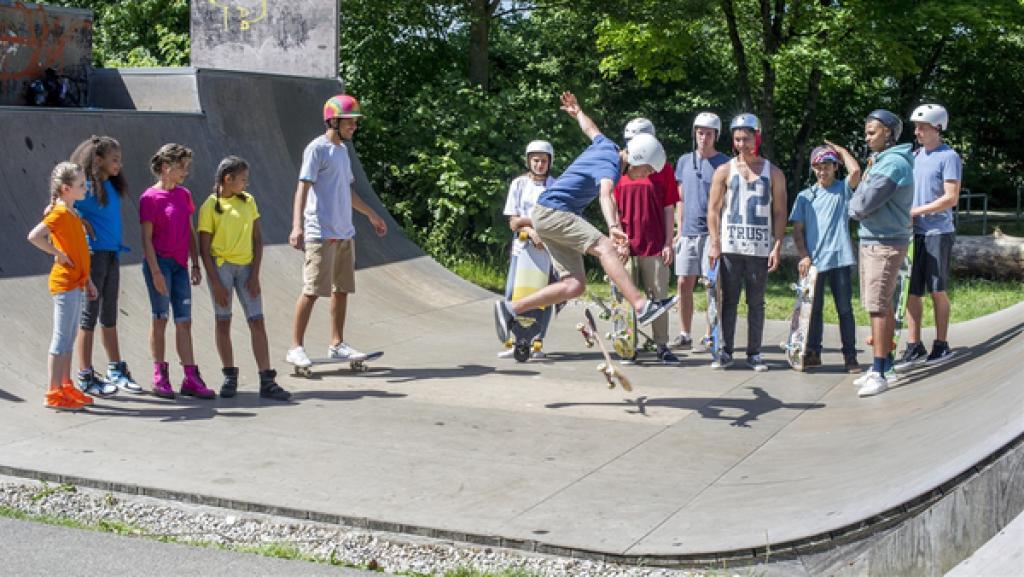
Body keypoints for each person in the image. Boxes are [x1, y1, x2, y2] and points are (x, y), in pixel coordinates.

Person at [492, 92, 677, 343]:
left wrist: (577, 112)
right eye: (645, 170)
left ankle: (511, 309)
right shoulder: (611, 165)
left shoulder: (606, 145)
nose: (644, 175)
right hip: (554, 212)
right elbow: (606, 194)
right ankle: (642, 306)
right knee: (606, 248)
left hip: (546, 217)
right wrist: (613, 226)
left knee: (574, 285)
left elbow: (590, 129)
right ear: (637, 158)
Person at [285, 94, 388, 369]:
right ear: (333, 121)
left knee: (341, 289)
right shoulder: (316, 149)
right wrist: (297, 226)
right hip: (321, 231)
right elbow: (302, 188)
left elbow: (347, 190)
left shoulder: (343, 152)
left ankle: (337, 344)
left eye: (355, 123)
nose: (354, 127)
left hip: (344, 232)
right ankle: (295, 347)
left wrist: (371, 215)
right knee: (312, 290)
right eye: (350, 122)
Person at [198, 156, 292, 401]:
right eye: (242, 180)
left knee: (257, 320)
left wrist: (256, 275)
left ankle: (266, 379)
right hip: (221, 269)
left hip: (247, 267)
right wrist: (216, 283)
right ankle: (229, 374)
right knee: (223, 321)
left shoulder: (249, 202)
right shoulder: (210, 206)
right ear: (227, 179)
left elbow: (258, 240)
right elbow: (204, 248)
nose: (246, 184)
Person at [707, 113, 787, 371]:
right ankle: (726, 351)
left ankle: (754, 352)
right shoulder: (724, 170)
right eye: (737, 139)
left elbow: (779, 212)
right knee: (727, 300)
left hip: (759, 248)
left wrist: (777, 245)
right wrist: (715, 242)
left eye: (747, 139)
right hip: (731, 247)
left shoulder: (773, 172)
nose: (742, 144)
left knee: (756, 302)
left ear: (757, 138)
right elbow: (713, 210)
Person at [140, 143, 215, 400]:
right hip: (159, 264)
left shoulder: (184, 195)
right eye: (181, 167)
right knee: (160, 317)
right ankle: (160, 375)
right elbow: (146, 239)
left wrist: (195, 263)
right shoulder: (149, 198)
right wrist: (155, 272)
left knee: (184, 321)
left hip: (181, 266)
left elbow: (190, 231)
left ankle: (191, 378)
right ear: (165, 167)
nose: (185, 172)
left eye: (187, 167)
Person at [848, 109, 915, 397]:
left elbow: (862, 205)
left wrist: (854, 203)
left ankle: (878, 371)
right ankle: (885, 365)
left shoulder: (894, 164)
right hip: (873, 239)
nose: (867, 137)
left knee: (877, 305)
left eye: (872, 132)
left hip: (885, 242)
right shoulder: (883, 161)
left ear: (888, 132)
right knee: (882, 304)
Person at [26, 162, 98, 411]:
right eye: (80, 185)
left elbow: (78, 250)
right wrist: (57, 253)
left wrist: (88, 280)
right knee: (61, 339)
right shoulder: (58, 213)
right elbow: (34, 236)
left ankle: (66, 385)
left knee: (69, 338)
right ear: (66, 189)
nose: (86, 188)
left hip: (77, 282)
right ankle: (53, 391)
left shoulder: (72, 213)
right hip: (64, 283)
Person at [69, 135, 137, 396]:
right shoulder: (85, 186)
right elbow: (58, 204)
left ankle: (115, 369)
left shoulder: (110, 185)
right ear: (98, 159)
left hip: (111, 255)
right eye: (114, 159)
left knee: (109, 314)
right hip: (94, 256)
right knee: (89, 315)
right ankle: (85, 374)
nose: (119, 164)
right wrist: (79, 219)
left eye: (119, 159)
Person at [789, 142, 862, 373]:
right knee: (813, 310)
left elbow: (857, 172)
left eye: (828, 166)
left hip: (839, 259)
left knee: (844, 309)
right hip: (815, 264)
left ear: (835, 167)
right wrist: (803, 256)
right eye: (819, 167)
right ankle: (812, 352)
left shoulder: (842, 190)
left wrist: (840, 150)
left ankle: (850, 357)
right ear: (813, 168)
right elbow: (797, 230)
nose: (823, 171)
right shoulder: (805, 196)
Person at [897, 104, 960, 368]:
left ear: (938, 128)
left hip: (938, 232)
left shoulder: (949, 157)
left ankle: (941, 345)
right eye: (916, 127)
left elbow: (951, 197)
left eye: (922, 127)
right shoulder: (915, 155)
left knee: (937, 290)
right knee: (912, 292)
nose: (917, 131)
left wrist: (917, 211)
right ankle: (914, 345)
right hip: (915, 233)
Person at [613, 118, 680, 365]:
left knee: (658, 294)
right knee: (624, 296)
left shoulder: (662, 169)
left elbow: (668, 206)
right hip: (625, 244)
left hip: (654, 242)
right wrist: (617, 238)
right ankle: (626, 345)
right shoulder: (617, 169)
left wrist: (668, 242)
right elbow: (611, 206)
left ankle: (661, 344)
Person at [672, 112, 730, 351]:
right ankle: (684, 333)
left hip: (711, 234)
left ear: (716, 135)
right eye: (699, 132)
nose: (703, 137)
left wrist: (719, 237)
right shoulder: (684, 161)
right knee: (684, 282)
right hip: (687, 232)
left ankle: (710, 334)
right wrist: (678, 228)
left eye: (708, 133)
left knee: (711, 284)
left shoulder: (725, 163)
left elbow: (727, 201)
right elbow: (680, 198)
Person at [498, 140, 557, 359]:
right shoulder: (519, 184)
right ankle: (513, 342)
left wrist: (531, 225)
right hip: (522, 248)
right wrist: (532, 229)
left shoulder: (555, 185)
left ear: (549, 162)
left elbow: (556, 219)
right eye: (536, 160)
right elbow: (513, 222)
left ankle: (537, 341)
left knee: (543, 295)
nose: (540, 164)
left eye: (543, 160)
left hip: (546, 248)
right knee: (514, 292)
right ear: (528, 161)